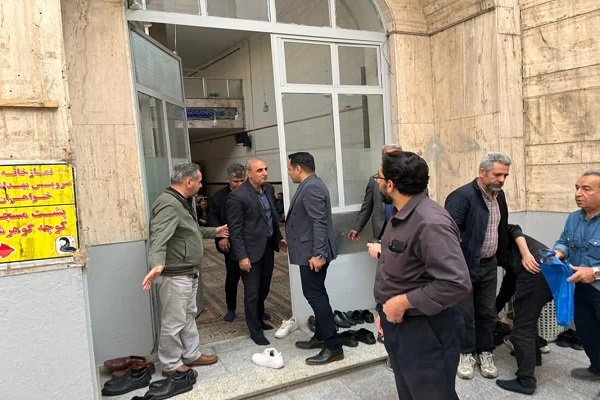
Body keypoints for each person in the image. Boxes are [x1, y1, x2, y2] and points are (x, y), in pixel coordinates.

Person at [367, 151, 471, 399]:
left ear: (391, 185)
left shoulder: (430, 222)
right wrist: (385, 310)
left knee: (431, 393)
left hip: (425, 330)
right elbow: (406, 265)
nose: (377, 183)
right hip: (400, 324)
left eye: (379, 178)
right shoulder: (402, 214)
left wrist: (401, 303)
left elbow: (455, 282)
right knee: (410, 391)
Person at [142, 163, 226, 384]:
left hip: (187, 272)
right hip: (175, 275)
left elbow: (189, 231)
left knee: (188, 315)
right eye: (199, 181)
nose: (201, 185)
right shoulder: (169, 204)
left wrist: (214, 232)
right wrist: (156, 263)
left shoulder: (181, 201)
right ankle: (171, 365)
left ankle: (191, 354)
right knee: (173, 321)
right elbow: (159, 235)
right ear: (189, 182)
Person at [445, 152, 512, 380]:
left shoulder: (499, 196)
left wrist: (503, 257)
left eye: (505, 175)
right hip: (464, 265)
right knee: (465, 313)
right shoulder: (461, 197)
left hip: (489, 264)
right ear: (482, 172)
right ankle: (466, 353)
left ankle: (485, 351)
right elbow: (448, 236)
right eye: (497, 174)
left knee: (488, 311)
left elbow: (502, 228)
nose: (501, 180)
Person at [285, 152, 342, 365]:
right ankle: (320, 336)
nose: (289, 173)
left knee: (316, 296)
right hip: (308, 251)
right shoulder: (310, 185)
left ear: (298, 168)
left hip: (313, 254)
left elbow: (319, 222)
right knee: (315, 294)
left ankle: (333, 346)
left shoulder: (312, 187)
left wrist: (319, 254)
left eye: (290, 169)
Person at [227, 159, 287, 346]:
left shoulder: (268, 189)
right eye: (259, 170)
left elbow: (271, 217)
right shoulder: (237, 196)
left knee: (264, 287)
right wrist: (242, 256)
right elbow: (235, 230)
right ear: (249, 174)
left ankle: (260, 318)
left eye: (266, 169)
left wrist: (278, 238)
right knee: (252, 292)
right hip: (249, 252)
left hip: (267, 247)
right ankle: (255, 330)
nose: (265, 173)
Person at [553, 169, 600, 382]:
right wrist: (559, 252)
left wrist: (595, 273)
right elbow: (564, 241)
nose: (578, 193)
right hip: (580, 287)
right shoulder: (573, 218)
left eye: (586, 189)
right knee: (588, 332)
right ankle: (597, 368)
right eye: (577, 188)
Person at [495, 225, 552, 395]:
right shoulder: (510, 251)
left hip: (535, 271)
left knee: (522, 328)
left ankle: (526, 381)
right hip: (548, 270)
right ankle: (535, 358)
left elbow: (514, 228)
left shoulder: (497, 230)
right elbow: (508, 286)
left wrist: (526, 254)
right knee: (528, 317)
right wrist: (493, 311)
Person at [208, 163, 246, 322]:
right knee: (232, 277)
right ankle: (231, 308)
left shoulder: (250, 192)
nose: (239, 184)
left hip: (249, 241)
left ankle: (257, 309)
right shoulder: (219, 196)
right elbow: (213, 218)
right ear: (228, 179)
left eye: (242, 180)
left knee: (253, 280)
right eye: (236, 181)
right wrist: (221, 237)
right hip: (229, 243)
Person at [348, 144, 403, 241]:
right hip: (381, 230)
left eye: (395, 156)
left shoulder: (409, 181)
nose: (391, 160)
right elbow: (367, 206)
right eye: (388, 157)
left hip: (401, 229)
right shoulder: (375, 180)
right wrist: (357, 228)